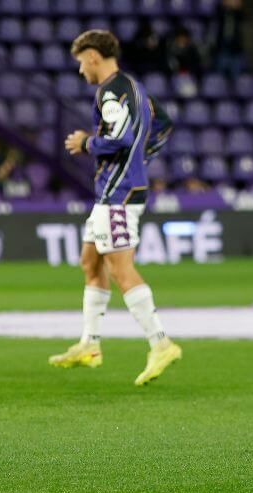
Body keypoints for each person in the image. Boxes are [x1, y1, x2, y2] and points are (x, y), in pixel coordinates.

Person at [49, 30, 180, 386]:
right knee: (90, 261)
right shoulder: (134, 88)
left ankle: (161, 343)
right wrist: (141, 156)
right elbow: (164, 125)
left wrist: (86, 142)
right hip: (113, 192)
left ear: (92, 56)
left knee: (121, 270)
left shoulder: (110, 91)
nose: (80, 71)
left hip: (118, 193)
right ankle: (89, 344)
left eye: (80, 62)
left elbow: (120, 138)